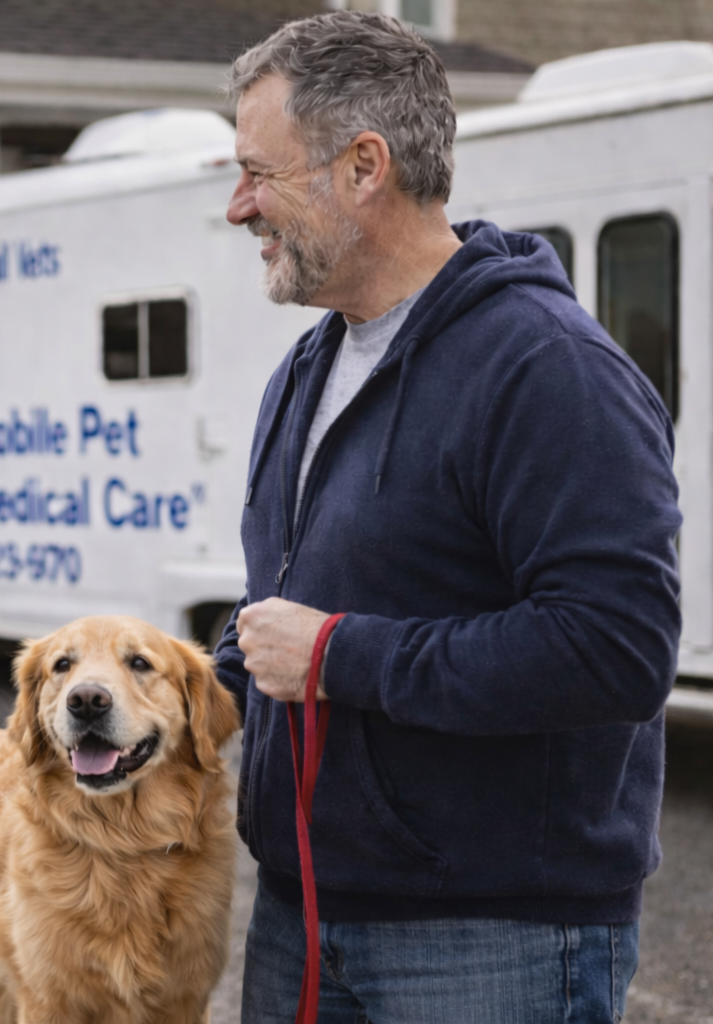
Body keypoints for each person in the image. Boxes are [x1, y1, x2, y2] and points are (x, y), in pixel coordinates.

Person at [213, 12, 680, 1023]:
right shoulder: (312, 362)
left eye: (258, 171)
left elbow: (618, 649)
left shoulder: (549, 370)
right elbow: (291, 605)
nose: (237, 205)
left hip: (488, 936)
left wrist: (340, 656)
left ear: (364, 167)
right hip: (304, 911)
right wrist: (155, 691)